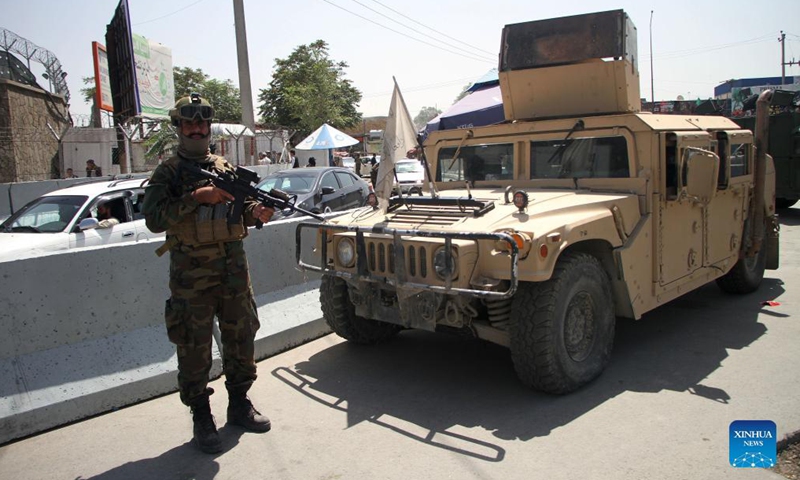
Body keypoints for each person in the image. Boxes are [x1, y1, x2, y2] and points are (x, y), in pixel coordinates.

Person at [142, 93, 274, 454]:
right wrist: (196, 198)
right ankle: (202, 414)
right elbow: (154, 219)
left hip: (233, 271)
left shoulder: (224, 166)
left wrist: (256, 212)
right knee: (193, 344)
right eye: (190, 123)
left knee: (241, 334)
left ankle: (240, 402)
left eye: (202, 123)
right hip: (191, 276)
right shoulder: (167, 172)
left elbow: (241, 206)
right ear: (180, 127)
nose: (197, 129)